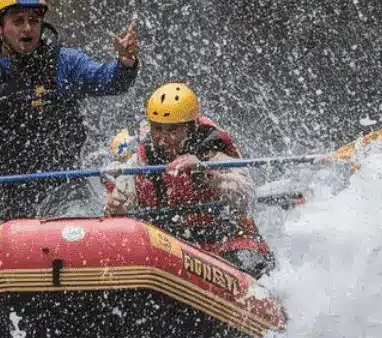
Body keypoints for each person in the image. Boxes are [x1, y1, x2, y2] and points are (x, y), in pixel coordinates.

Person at [0, 0, 140, 219]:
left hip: (65, 189)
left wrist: (125, 61)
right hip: (3, 192)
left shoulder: (64, 62)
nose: (28, 28)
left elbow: (109, 82)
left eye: (34, 21)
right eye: (18, 21)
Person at [103, 82, 274, 277]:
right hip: (173, 247)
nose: (163, 138)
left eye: (173, 130)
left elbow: (245, 196)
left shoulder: (212, 149)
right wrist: (116, 206)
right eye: (158, 129)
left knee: (249, 264)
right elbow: (125, 203)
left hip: (226, 239)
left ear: (191, 127)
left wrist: (204, 172)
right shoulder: (142, 158)